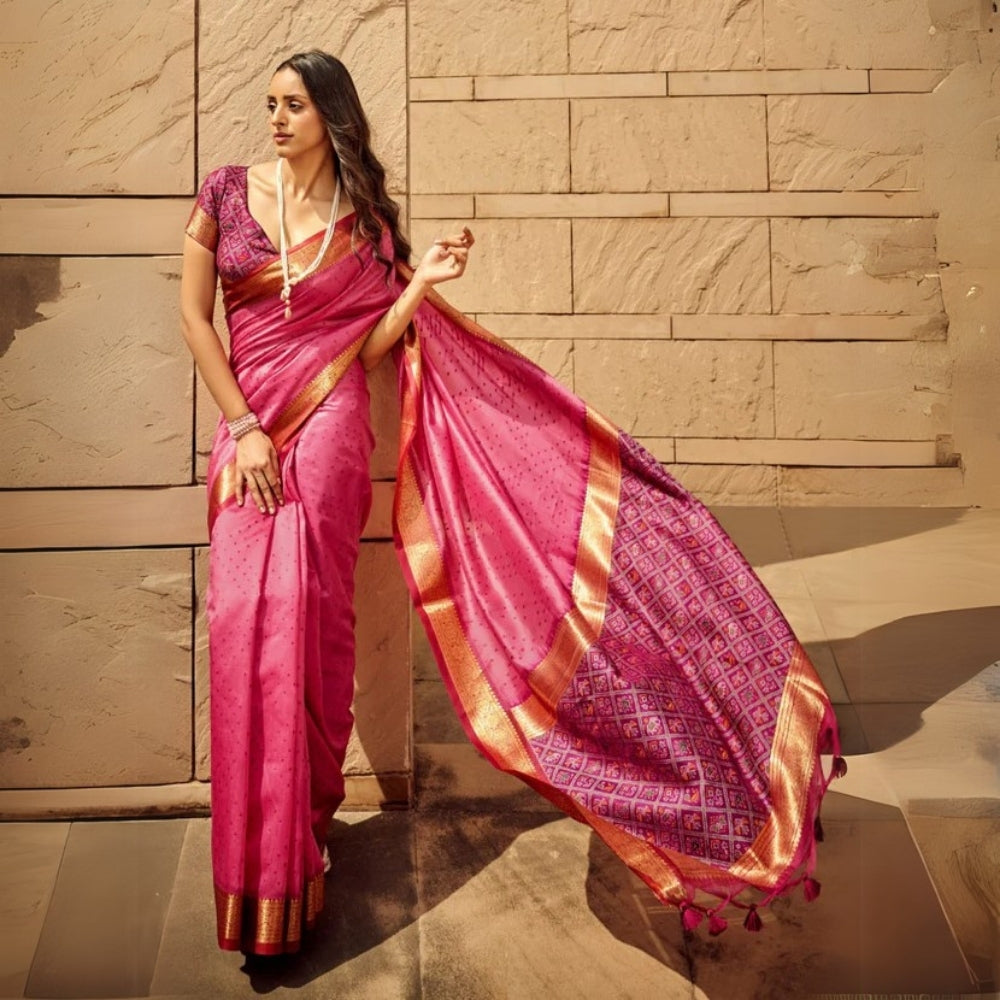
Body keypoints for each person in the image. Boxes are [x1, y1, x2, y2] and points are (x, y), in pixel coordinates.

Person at [181, 50, 842, 957]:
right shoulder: (223, 192)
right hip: (249, 426)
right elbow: (192, 320)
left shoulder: (365, 225)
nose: (275, 120)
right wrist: (245, 425)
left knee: (307, 620)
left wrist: (419, 285)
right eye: (270, 105)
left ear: (331, 115)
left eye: (293, 105)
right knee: (240, 619)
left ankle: (303, 838)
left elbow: (370, 348)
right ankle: (251, 867)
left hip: (331, 426)